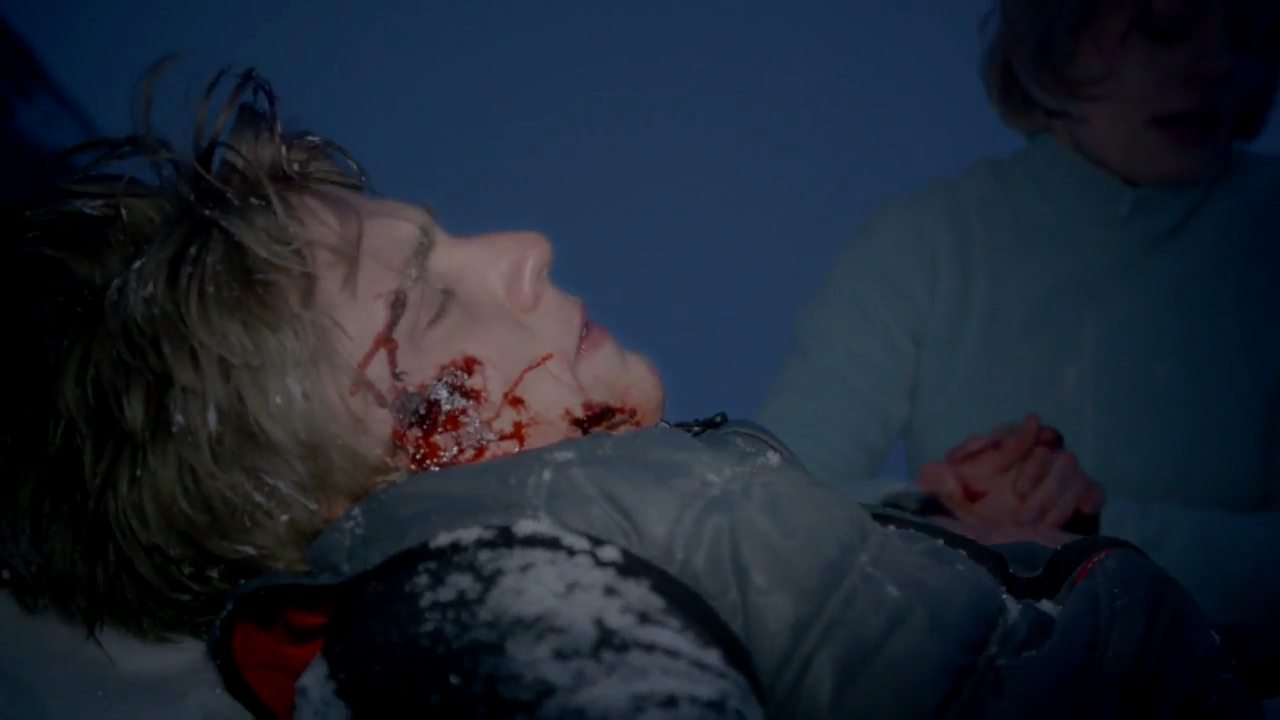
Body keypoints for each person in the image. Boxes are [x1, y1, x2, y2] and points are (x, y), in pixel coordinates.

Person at [0, 66, 1263, 719]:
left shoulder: (581, 522)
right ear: (323, 490)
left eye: (447, 241)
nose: (522, 248)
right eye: (421, 304)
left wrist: (959, 539)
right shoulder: (466, 594)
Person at [757, 0, 1280, 653]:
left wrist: (1086, 533)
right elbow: (771, 502)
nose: (1217, 64)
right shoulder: (930, 243)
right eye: (1164, 26)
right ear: (1055, 37)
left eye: (1247, 34)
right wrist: (945, 512)